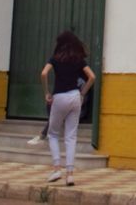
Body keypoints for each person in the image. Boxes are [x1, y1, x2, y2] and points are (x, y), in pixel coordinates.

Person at [38, 30, 95, 187]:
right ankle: (70, 174)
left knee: (53, 133)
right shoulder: (79, 59)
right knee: (71, 136)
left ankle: (56, 168)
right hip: (75, 97)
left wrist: (46, 92)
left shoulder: (55, 58)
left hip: (60, 97)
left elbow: (44, 74)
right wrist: (82, 93)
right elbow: (92, 77)